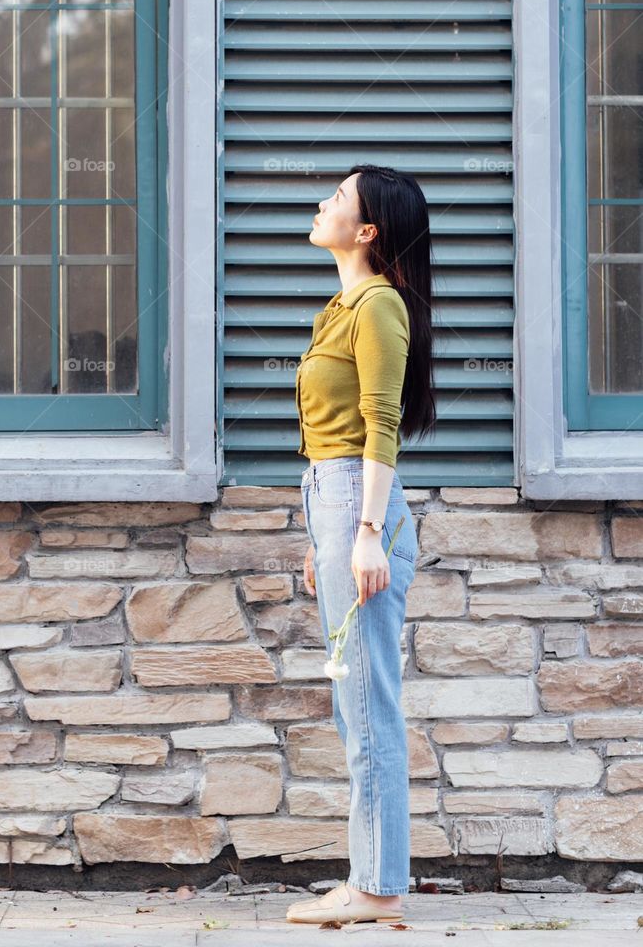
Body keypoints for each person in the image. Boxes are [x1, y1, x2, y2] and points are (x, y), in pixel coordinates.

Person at [286, 164, 437, 927]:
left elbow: (379, 427)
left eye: (336, 199)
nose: (321, 205)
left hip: (359, 502)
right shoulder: (340, 307)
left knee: (369, 703)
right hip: (333, 500)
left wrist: (366, 534)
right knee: (355, 707)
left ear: (368, 229)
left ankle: (376, 888)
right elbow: (326, 436)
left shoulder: (378, 307)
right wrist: (323, 537)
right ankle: (368, 877)